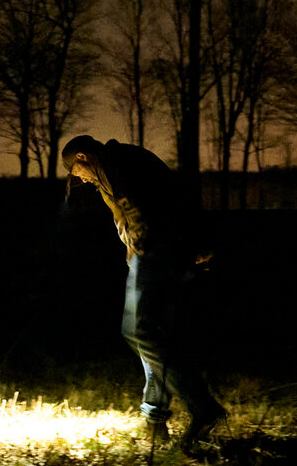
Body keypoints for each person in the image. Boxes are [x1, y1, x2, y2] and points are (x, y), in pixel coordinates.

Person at [60, 134, 227, 448]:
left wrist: (139, 243)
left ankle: (201, 406)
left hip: (157, 251)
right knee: (154, 335)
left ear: (82, 157)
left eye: (79, 173)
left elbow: (134, 204)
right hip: (168, 250)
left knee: (139, 331)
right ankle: (154, 418)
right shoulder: (120, 161)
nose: (82, 179)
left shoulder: (112, 163)